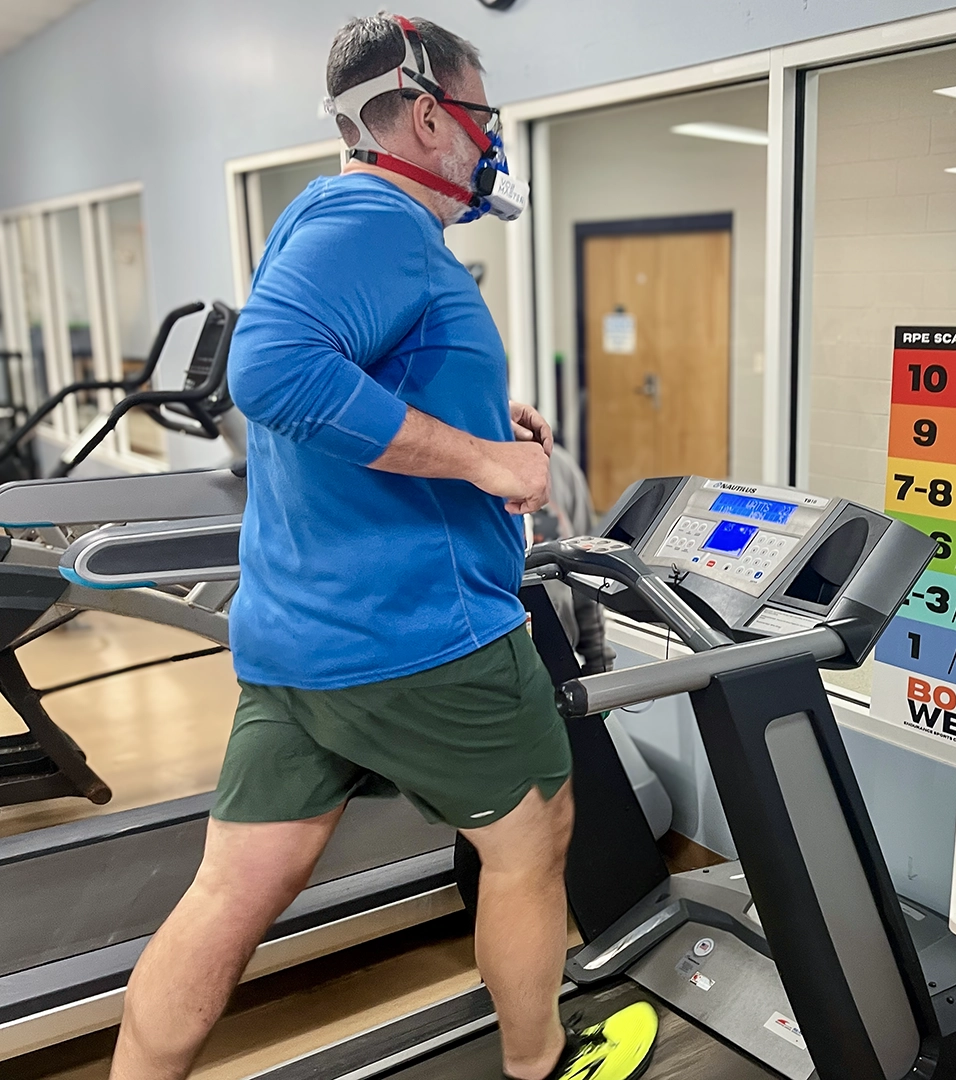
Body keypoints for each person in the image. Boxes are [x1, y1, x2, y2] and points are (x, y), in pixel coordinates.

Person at [109, 15, 654, 1080]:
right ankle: (540, 1062)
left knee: (226, 895)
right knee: (533, 844)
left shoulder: (321, 216)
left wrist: (486, 416)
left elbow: (350, 385)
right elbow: (270, 373)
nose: (489, 143)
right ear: (423, 115)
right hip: (427, 640)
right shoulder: (380, 221)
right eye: (480, 117)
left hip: (295, 647)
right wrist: (493, 468)